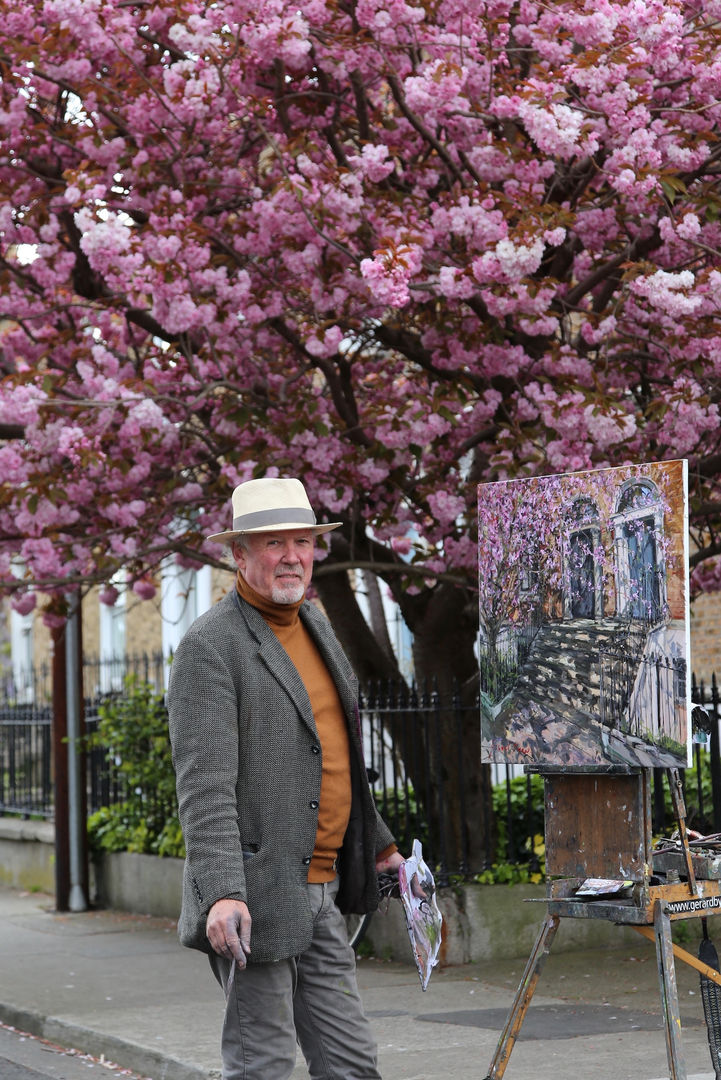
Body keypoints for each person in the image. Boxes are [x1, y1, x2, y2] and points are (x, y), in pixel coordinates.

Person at [167, 476, 404, 1080]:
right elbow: (205, 785)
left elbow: (336, 752)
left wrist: (378, 845)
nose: (292, 556)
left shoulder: (317, 624)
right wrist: (223, 890)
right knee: (262, 1065)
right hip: (253, 893)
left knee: (352, 1064)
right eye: (274, 544)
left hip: (321, 885)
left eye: (302, 541)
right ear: (239, 555)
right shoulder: (210, 646)